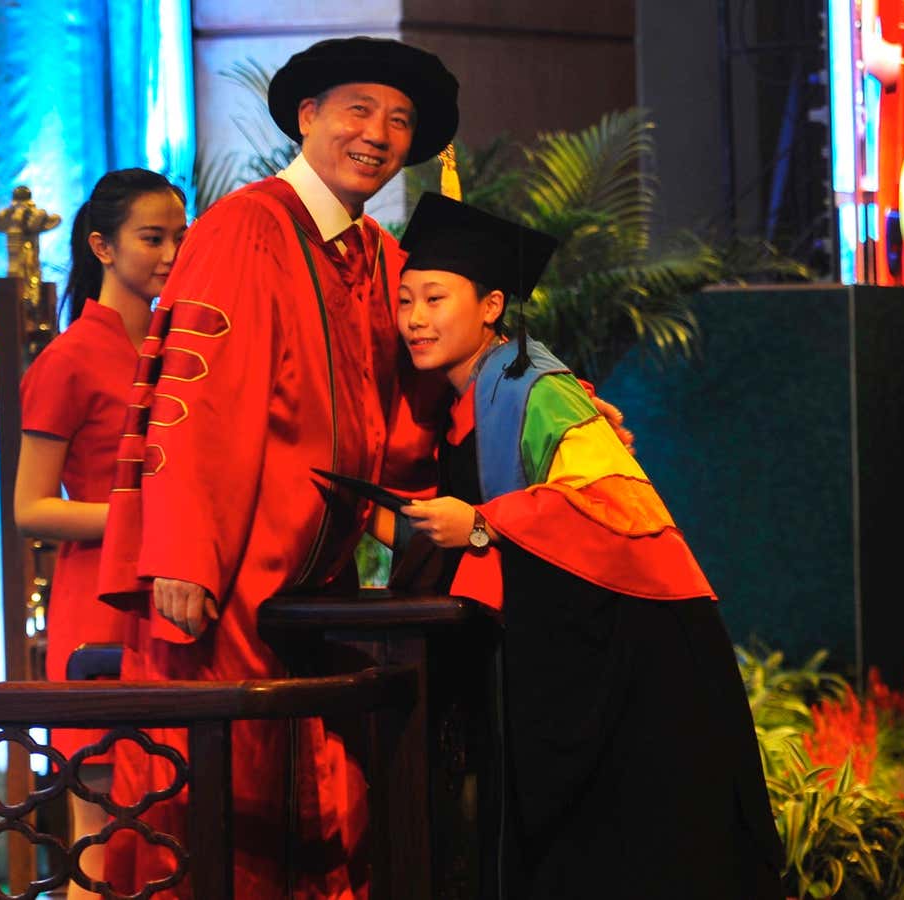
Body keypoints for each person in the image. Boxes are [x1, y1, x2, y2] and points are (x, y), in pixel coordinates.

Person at [95, 36, 460, 898]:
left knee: (305, 811)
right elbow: (196, 398)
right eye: (359, 111)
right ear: (308, 117)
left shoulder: (372, 253)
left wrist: (548, 402)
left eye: (400, 121)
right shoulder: (245, 229)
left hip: (308, 588)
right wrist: (184, 551)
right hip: (227, 583)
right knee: (217, 812)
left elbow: (423, 386)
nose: (378, 134)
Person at [385, 191, 784, 897]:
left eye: (436, 298)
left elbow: (612, 506)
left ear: (490, 306)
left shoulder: (537, 388)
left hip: (642, 660)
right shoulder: (470, 399)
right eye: (406, 300)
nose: (415, 318)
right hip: (580, 657)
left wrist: (482, 523)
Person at [14, 168, 186, 899]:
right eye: (153, 238)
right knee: (105, 843)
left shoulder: (181, 351)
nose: (172, 253)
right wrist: (144, 516)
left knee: (168, 837)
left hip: (170, 601)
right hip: (99, 606)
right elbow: (29, 507)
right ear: (102, 246)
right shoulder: (70, 356)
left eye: (181, 237)